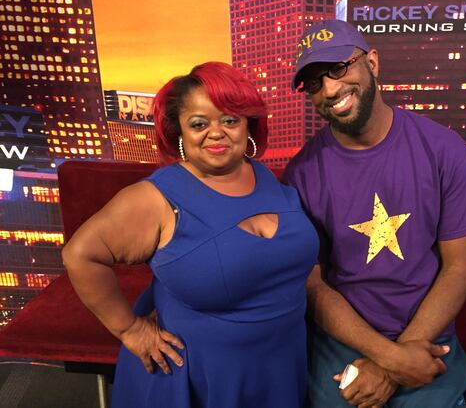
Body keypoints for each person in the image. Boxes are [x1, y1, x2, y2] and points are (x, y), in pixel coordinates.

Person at [62, 62, 318, 408]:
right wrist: (130, 330)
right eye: (199, 123)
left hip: (280, 367)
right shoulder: (156, 198)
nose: (217, 132)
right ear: (179, 132)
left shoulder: (265, 176)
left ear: (248, 125)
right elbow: (80, 254)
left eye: (230, 120)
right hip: (201, 378)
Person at [284, 19, 466, 408]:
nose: (330, 89)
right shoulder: (302, 173)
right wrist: (388, 358)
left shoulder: (443, 148)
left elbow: (461, 270)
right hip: (344, 339)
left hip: (427, 335)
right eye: (314, 83)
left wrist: (394, 361)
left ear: (373, 63)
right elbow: (312, 285)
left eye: (338, 68)